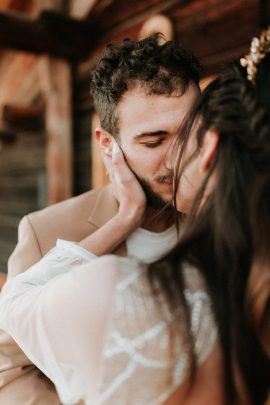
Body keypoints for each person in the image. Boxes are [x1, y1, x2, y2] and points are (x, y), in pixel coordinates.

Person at [1, 29, 270, 404]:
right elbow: (8, 371)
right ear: (108, 145)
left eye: (190, 134)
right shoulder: (46, 230)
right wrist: (125, 219)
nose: (178, 158)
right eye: (154, 141)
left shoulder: (231, 220)